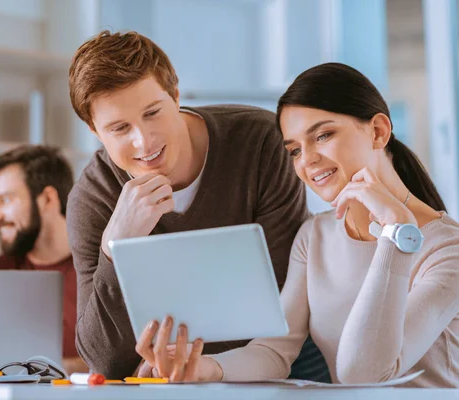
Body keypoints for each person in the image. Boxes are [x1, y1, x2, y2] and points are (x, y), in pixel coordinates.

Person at [135, 63, 459, 388]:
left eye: (323, 135)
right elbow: (274, 352)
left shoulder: (448, 249)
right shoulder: (315, 237)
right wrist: (201, 368)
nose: (307, 160)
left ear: (378, 131)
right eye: (294, 150)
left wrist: (397, 232)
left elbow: (364, 374)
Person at [66, 30, 328, 380]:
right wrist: (116, 248)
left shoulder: (260, 142)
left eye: (152, 113)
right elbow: (102, 360)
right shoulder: (93, 198)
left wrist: (186, 361)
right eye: (119, 128)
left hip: (288, 357)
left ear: (175, 95)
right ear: (95, 131)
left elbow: (281, 301)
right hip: (177, 377)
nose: (143, 140)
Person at [0, 144, 88, 374]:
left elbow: (123, 361)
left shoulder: (99, 268)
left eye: (6, 200)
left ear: (48, 199)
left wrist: (54, 368)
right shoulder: (1, 269)